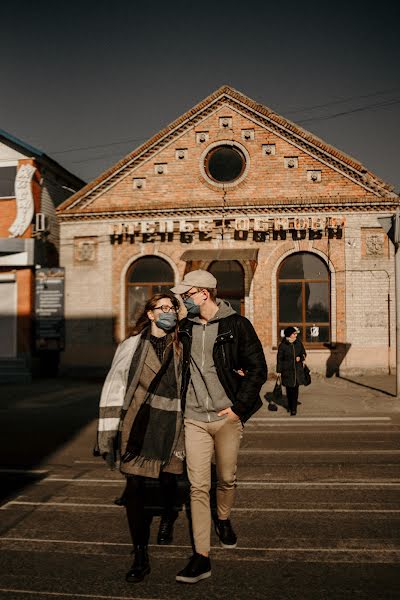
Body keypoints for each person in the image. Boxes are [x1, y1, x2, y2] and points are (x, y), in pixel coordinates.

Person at [171, 269, 268, 584]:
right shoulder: (184, 328)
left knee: (226, 478)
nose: (183, 300)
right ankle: (202, 556)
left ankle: (223, 518)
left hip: (226, 418)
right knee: (198, 487)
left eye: (187, 294)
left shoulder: (237, 325)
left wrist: (238, 408)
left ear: (203, 293)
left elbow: (258, 369)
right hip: (194, 418)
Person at [96, 292, 184, 584]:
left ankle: (169, 515)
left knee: (169, 479)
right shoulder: (131, 346)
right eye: (163, 308)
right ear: (150, 314)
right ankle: (140, 554)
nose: (169, 312)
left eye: (173, 307)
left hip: (173, 424)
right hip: (137, 424)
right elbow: (114, 387)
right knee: (134, 487)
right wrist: (107, 434)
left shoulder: (184, 345)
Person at [276, 326, 307, 416]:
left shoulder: (298, 343)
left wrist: (300, 358)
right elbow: (279, 359)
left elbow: (304, 353)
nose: (296, 335)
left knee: (295, 389)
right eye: (294, 333)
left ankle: (294, 409)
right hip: (287, 371)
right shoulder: (283, 345)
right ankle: (290, 405)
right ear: (289, 335)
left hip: (297, 371)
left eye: (296, 333)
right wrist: (279, 371)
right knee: (289, 390)